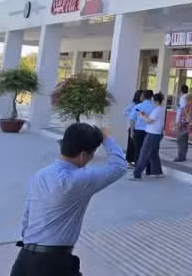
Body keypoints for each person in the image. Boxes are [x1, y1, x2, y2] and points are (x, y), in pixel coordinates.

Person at [10, 123, 127, 276]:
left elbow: (27, 216)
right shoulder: (78, 180)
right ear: (83, 155)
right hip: (52, 264)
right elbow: (119, 167)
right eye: (91, 155)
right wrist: (107, 138)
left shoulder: (41, 174)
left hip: (24, 260)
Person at [131, 92, 165, 180]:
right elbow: (151, 118)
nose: (151, 102)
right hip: (156, 134)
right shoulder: (159, 109)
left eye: (152, 100)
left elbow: (149, 121)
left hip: (152, 135)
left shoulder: (157, 110)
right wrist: (144, 115)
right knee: (153, 154)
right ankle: (158, 172)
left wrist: (141, 116)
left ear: (156, 101)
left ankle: (137, 174)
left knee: (144, 153)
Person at [129, 90, 155, 176]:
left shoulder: (137, 106)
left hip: (138, 131)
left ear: (143, 96)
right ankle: (149, 170)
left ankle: (137, 171)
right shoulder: (154, 107)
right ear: (152, 97)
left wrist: (132, 131)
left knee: (138, 151)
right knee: (149, 151)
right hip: (150, 132)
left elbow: (132, 119)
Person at [123, 89, 144, 166]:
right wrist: (131, 117)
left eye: (144, 96)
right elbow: (125, 111)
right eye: (142, 95)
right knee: (131, 145)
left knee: (138, 146)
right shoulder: (133, 104)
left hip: (140, 128)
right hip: (132, 127)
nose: (143, 97)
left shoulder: (143, 105)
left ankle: (136, 161)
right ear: (138, 96)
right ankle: (129, 161)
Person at [174, 85, 190, 162]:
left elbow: (183, 110)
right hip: (185, 121)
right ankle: (184, 155)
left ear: (181, 90)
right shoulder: (188, 97)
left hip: (182, 121)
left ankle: (180, 156)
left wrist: (180, 122)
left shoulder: (183, 98)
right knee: (185, 139)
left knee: (180, 139)